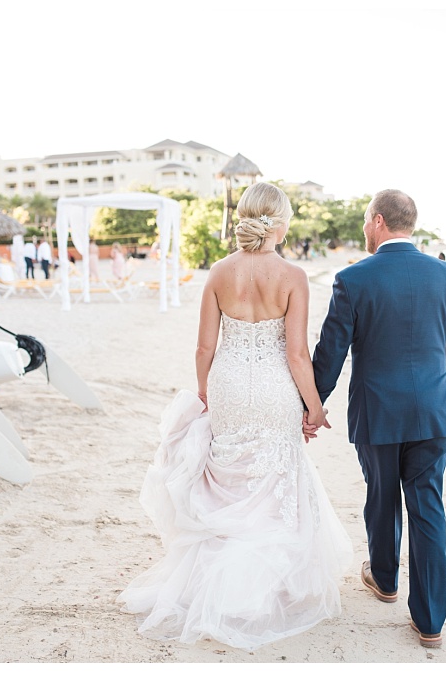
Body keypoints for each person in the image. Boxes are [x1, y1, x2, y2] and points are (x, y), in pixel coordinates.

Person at [118, 182, 352, 651]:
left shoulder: (219, 273)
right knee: (271, 481)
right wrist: (314, 406)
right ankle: (264, 590)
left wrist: (206, 391)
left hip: (227, 383)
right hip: (272, 388)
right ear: (280, 224)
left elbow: (205, 346)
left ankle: (217, 585)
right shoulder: (293, 276)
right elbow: (298, 355)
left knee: (230, 479)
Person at [307, 189, 446, 649]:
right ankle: (431, 621)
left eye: (364, 221)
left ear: (378, 222)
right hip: (435, 411)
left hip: (378, 410)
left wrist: (313, 405)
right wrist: (437, 392)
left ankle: (384, 579)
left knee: (381, 495)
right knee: (428, 507)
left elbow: (331, 352)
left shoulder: (353, 279)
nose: (363, 228)